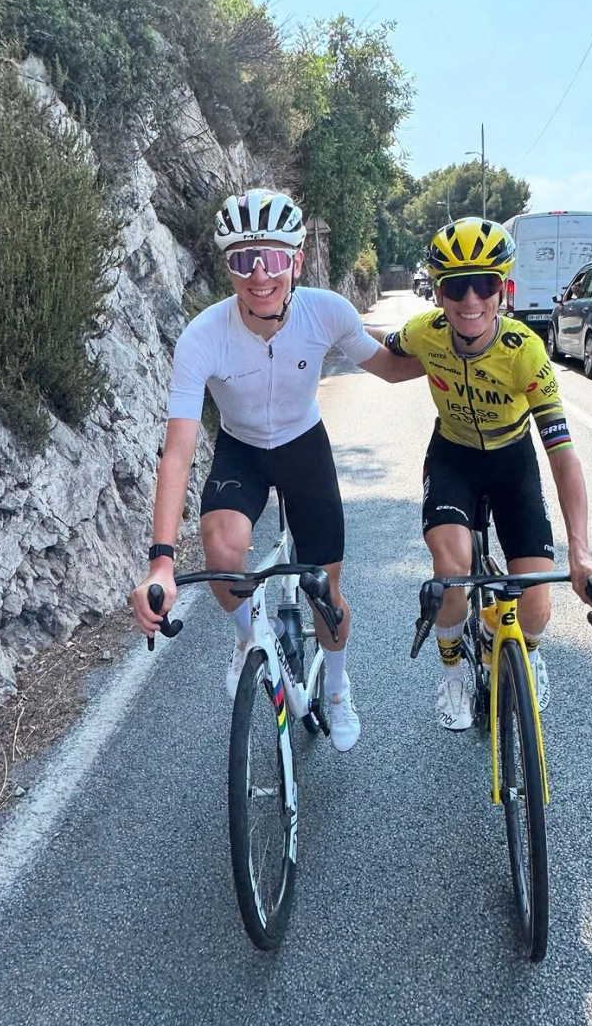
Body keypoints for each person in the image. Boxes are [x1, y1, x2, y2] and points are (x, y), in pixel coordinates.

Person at [130, 189, 422, 752]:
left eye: (273, 257)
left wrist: (460, 347)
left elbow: (389, 366)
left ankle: (336, 688)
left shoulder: (327, 312)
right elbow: (178, 451)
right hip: (241, 450)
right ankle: (247, 640)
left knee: (326, 596)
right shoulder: (202, 337)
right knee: (222, 554)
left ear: (297, 256)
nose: (260, 275)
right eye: (243, 259)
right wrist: (161, 562)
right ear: (228, 268)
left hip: (302, 447)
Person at [384, 217, 592, 731]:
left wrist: (580, 551)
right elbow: (382, 352)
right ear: (439, 294)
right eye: (456, 286)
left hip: (513, 461)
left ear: (502, 287)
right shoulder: (424, 333)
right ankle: (451, 677)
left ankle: (519, 649)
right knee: (452, 571)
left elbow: (562, 454)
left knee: (536, 605)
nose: (471, 299)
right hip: (453, 457)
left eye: (485, 283)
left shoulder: (525, 351)